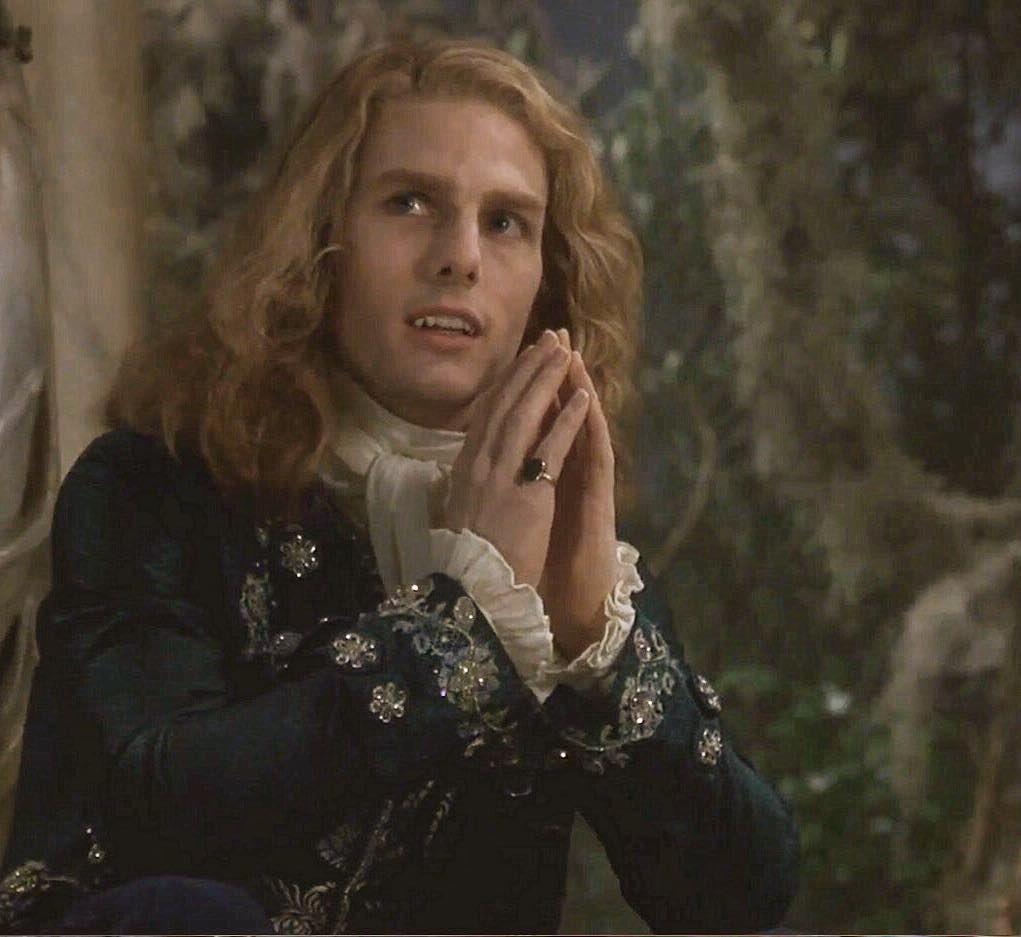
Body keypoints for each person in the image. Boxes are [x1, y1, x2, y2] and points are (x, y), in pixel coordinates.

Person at [0, 39, 798, 934]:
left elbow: (737, 897)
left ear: (547, 284)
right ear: (322, 243)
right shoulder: (151, 484)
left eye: (506, 222)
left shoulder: (562, 525)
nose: (460, 256)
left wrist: (593, 645)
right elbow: (155, 807)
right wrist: (464, 617)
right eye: (409, 202)